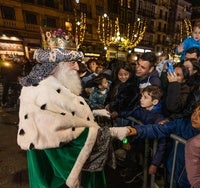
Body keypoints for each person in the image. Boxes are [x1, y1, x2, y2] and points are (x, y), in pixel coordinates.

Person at [17, 28, 127, 188]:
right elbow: (65, 141)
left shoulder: (49, 86)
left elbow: (63, 117)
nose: (77, 67)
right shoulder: (44, 93)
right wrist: (112, 133)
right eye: (72, 62)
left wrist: (93, 112)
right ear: (56, 66)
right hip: (59, 177)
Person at [118, 97, 200, 187]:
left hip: (192, 183)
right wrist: (134, 130)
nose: (194, 117)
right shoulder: (182, 124)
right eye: (194, 112)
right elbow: (158, 129)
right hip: (172, 172)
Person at [117, 85, 166, 183]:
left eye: (145, 97)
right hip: (139, 146)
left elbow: (162, 144)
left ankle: (142, 175)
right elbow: (128, 114)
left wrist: (155, 164)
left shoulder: (159, 119)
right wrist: (116, 112)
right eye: (141, 96)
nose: (141, 99)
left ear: (155, 102)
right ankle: (134, 170)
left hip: (151, 150)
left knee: (148, 171)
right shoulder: (141, 110)